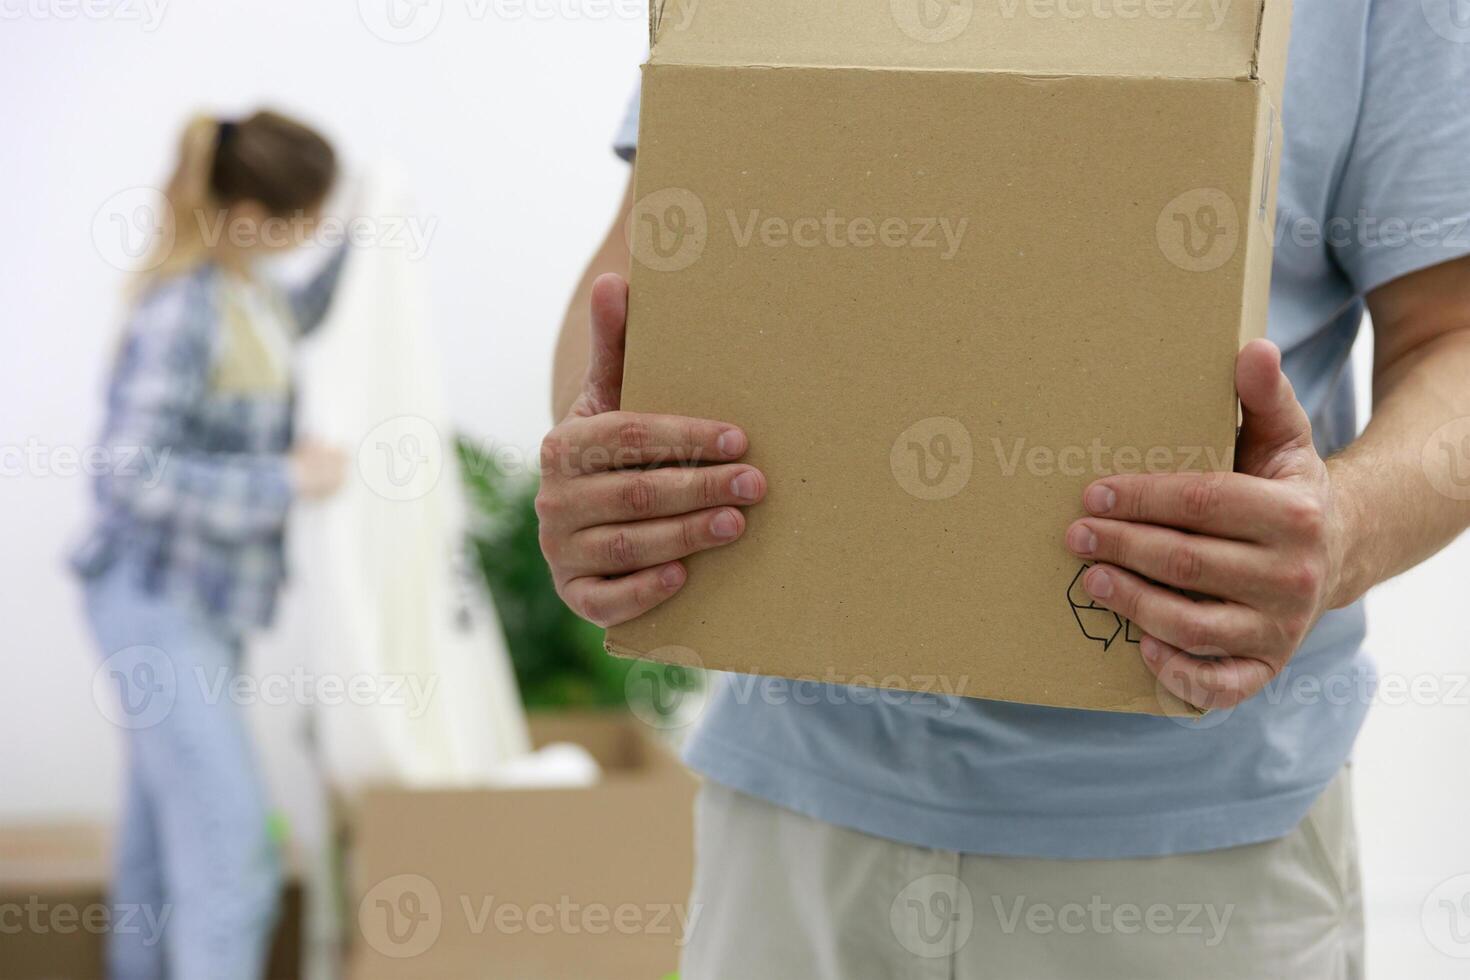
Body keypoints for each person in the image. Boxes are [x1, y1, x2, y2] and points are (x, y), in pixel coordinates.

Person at [537, 4, 1470, 977]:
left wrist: (1342, 529)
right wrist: (596, 458)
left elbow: (1451, 331)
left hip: (1195, 848)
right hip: (793, 820)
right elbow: (647, 251)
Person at [74, 110, 350, 980]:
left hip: (204, 601)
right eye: (312, 215)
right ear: (249, 220)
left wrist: (378, 222)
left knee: (162, 849)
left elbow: (302, 313)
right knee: (234, 859)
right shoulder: (184, 309)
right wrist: (284, 481)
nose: (320, 229)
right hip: (156, 602)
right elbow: (127, 473)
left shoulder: (252, 290)